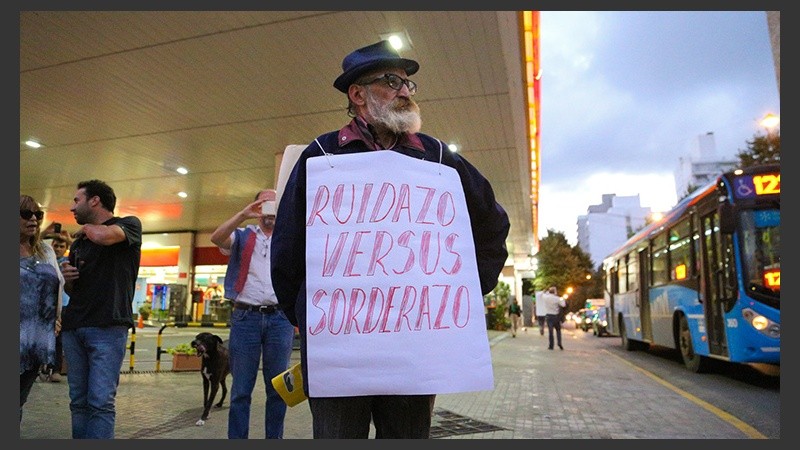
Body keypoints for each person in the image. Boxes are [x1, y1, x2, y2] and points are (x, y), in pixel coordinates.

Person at [271, 40, 510, 439]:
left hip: (413, 352)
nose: (404, 90)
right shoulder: (321, 155)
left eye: (408, 84)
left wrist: (464, 290)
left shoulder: (436, 158)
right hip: (338, 354)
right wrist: (309, 315)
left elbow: (491, 224)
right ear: (357, 94)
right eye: (391, 80)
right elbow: (288, 247)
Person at [59, 179, 142, 439]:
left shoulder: (128, 224)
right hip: (75, 327)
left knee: (100, 402)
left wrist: (85, 228)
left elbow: (105, 236)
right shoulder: (80, 242)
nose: (73, 207)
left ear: (94, 200)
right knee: (78, 402)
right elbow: (72, 291)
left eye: (77, 200)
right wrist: (68, 279)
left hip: (107, 326)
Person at [210, 188, 295, 439]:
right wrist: (243, 214)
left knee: (278, 388)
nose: (268, 211)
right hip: (245, 318)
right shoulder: (243, 235)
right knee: (241, 390)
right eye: (263, 204)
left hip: (280, 319)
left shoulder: (289, 236)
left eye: (273, 205)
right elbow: (216, 238)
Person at [19, 195, 64, 424]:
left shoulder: (45, 251)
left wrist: (56, 318)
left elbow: (58, 283)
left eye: (38, 214)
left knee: (18, 402)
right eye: (26, 214)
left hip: (36, 340)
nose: (34, 219)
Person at [42, 232, 72, 382]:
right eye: (55, 245)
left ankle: (55, 370)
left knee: (59, 340)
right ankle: (42, 368)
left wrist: (69, 240)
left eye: (62, 246)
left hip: (65, 305)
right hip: (47, 305)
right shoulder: (46, 259)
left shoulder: (68, 262)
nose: (58, 248)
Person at [541, 286, 566, 350]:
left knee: (550, 331)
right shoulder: (557, 298)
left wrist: (545, 292)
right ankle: (559, 343)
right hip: (556, 316)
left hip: (549, 316)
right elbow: (563, 305)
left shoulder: (546, 297)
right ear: (555, 292)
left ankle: (551, 345)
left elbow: (542, 294)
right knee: (558, 330)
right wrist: (562, 299)